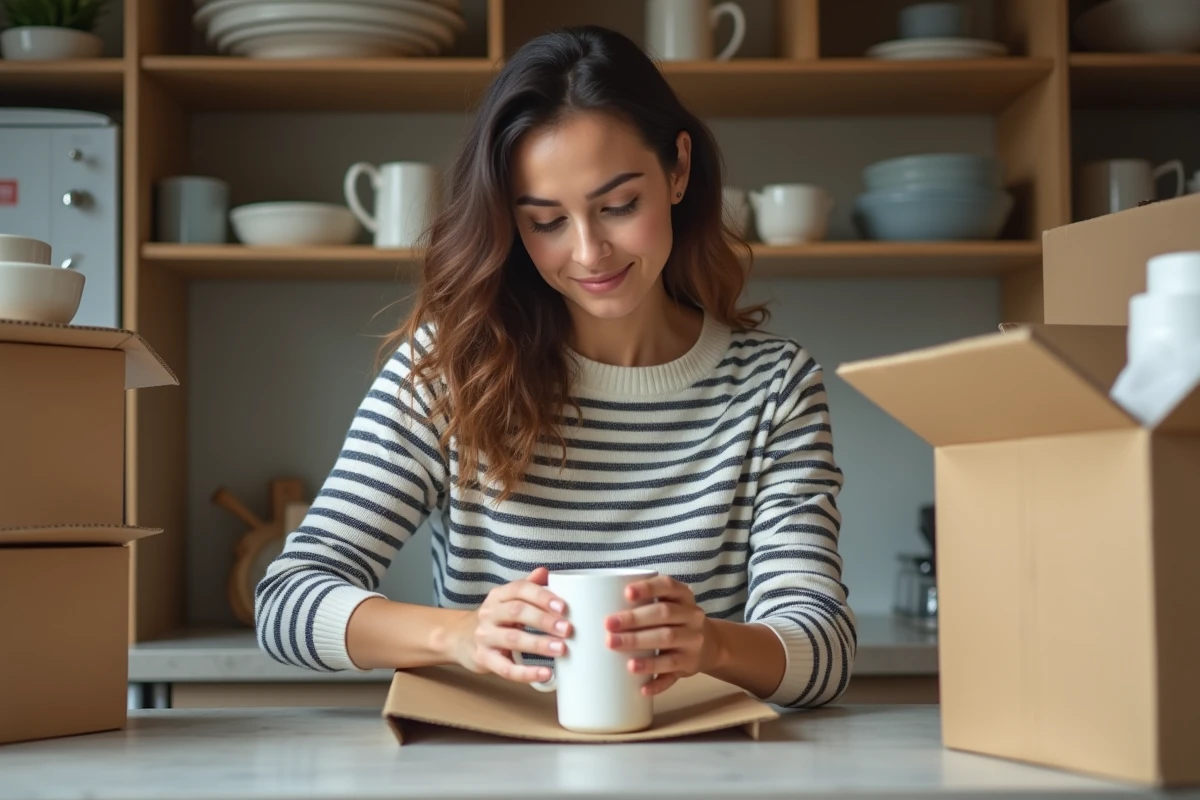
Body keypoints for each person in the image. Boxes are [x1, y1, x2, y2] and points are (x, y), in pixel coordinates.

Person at [255, 24, 856, 709]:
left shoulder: (773, 388)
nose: (590, 252)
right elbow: (286, 600)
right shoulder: (449, 372)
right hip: (490, 771)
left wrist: (713, 645)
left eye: (620, 205)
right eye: (546, 221)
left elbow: (824, 646)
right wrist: (458, 636)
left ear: (679, 169)